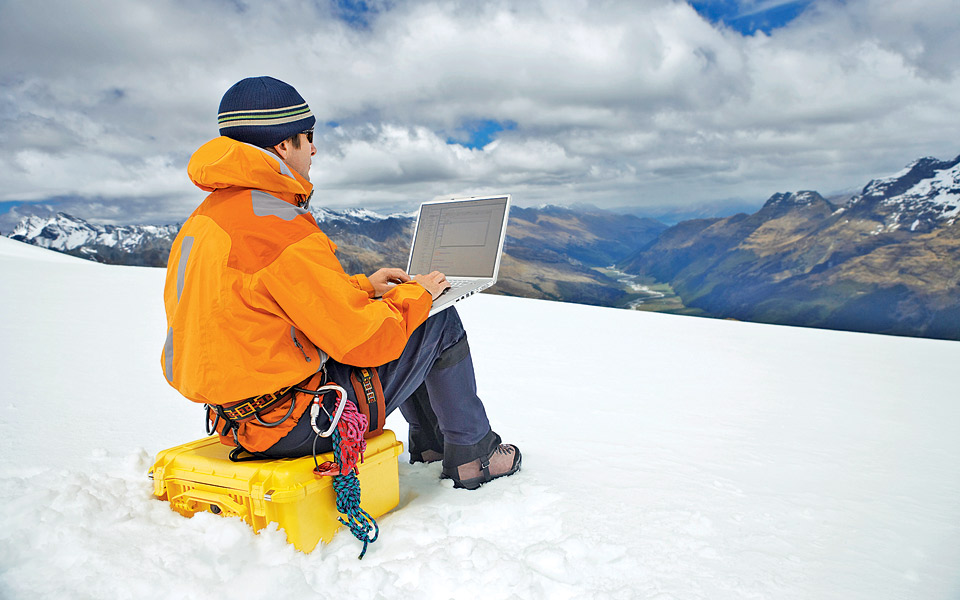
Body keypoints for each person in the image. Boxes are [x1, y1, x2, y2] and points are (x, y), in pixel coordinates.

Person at [160, 76, 520, 490]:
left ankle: (431, 448)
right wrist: (418, 293)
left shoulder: (207, 219)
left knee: (413, 313)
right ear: (284, 145)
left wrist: (364, 288)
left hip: (240, 419)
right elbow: (364, 342)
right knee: (434, 319)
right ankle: (473, 457)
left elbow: (268, 302)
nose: (313, 149)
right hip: (298, 422)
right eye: (308, 136)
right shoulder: (277, 226)